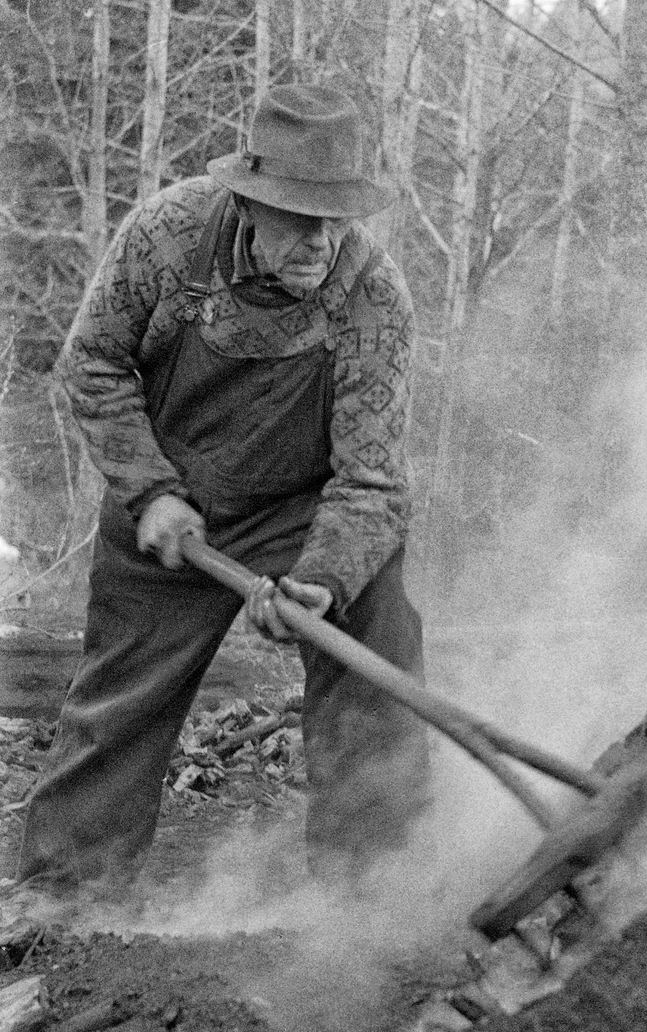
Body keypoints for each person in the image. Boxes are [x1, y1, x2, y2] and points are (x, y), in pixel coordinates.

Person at [6, 84, 430, 917]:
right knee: (122, 698)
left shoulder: (374, 299)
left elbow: (373, 481)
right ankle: (65, 899)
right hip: (167, 499)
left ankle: (371, 890)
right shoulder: (169, 235)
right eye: (300, 216)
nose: (321, 240)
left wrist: (324, 581)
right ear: (247, 199)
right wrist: (150, 491)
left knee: (376, 636)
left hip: (301, 514)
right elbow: (90, 363)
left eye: (336, 217)